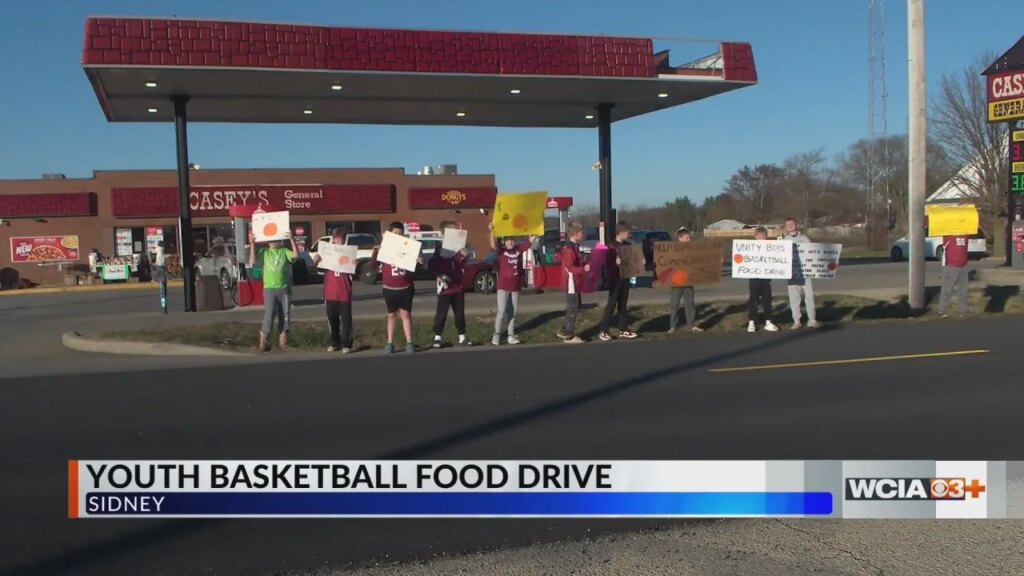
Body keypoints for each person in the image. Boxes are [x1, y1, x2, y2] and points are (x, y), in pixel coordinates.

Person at [372, 221, 418, 354]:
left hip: (405, 287)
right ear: (390, 234)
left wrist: (417, 262)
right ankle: (390, 343)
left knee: (406, 314)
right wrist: (375, 252)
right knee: (391, 315)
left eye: (400, 233)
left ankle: (409, 342)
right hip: (390, 288)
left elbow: (413, 268)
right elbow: (374, 265)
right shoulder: (384, 248)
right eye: (395, 233)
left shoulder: (408, 247)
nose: (398, 235)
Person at [248, 229, 298, 352]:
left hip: (284, 288)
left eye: (276, 240)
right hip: (269, 288)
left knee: (285, 315)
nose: (274, 243)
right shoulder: (264, 252)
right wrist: (253, 244)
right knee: (269, 314)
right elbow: (252, 262)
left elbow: (296, 256)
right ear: (268, 242)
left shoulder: (284, 252)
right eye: (271, 240)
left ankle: (283, 341)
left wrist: (291, 239)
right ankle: (263, 340)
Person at [489, 222, 535, 346]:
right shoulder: (501, 251)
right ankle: (497, 335)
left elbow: (529, 242)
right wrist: (492, 231)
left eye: (512, 240)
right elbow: (493, 245)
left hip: (515, 287)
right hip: (503, 287)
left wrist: (537, 229)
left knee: (512, 313)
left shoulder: (518, 250)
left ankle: (510, 335)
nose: (510, 243)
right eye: (508, 241)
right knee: (502, 311)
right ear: (504, 242)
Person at [429, 221, 474, 348]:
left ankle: (462, 336)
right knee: (441, 313)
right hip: (445, 287)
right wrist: (439, 276)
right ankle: (437, 337)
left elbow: (461, 265)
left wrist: (464, 256)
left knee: (459, 313)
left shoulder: (459, 248)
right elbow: (433, 266)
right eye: (452, 230)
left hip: (458, 286)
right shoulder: (439, 249)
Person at [312, 227, 354, 352]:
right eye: (335, 240)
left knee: (346, 320)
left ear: (344, 240)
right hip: (330, 293)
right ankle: (335, 342)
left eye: (340, 240)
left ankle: (346, 343)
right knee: (332, 319)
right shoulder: (327, 254)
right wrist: (317, 261)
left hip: (344, 292)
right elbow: (320, 270)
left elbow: (354, 273)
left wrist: (355, 264)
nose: (337, 242)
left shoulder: (349, 253)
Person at [598, 222, 639, 341]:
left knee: (623, 305)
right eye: (627, 232)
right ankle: (604, 330)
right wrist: (615, 264)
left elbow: (633, 260)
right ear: (619, 232)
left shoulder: (627, 245)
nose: (629, 234)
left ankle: (623, 329)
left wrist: (639, 261)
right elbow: (606, 264)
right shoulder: (611, 246)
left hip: (625, 278)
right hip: (615, 279)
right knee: (611, 304)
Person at [781, 217, 818, 329]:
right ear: (786, 227)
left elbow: (812, 253)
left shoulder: (804, 238)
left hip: (805, 273)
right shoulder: (784, 241)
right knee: (794, 298)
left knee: (809, 297)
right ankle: (796, 321)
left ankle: (812, 319)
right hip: (792, 274)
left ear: (796, 225)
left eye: (792, 223)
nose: (790, 226)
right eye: (788, 224)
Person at [557, 221, 589, 344]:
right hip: (571, 282)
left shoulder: (574, 247)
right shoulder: (569, 249)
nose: (583, 234)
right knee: (573, 308)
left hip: (575, 281)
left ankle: (565, 330)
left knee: (575, 306)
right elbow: (570, 267)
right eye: (581, 232)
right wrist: (583, 269)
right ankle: (568, 335)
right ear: (575, 233)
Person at [668, 227, 702, 333]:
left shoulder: (693, 249)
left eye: (689, 238)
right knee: (674, 304)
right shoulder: (672, 249)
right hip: (676, 281)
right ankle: (673, 326)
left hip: (689, 280)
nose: (689, 240)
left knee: (690, 304)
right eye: (686, 238)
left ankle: (691, 325)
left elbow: (702, 259)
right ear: (680, 238)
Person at [747, 227, 780, 333]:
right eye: (759, 236)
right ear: (755, 237)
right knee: (753, 300)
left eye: (763, 236)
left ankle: (768, 322)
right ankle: (752, 322)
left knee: (767, 300)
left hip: (766, 278)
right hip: (754, 278)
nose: (761, 238)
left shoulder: (771, 248)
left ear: (766, 237)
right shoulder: (748, 248)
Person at [938, 233, 970, 318]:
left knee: (963, 290)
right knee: (946, 290)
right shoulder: (947, 234)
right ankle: (942, 311)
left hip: (963, 265)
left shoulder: (965, 234)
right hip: (950, 265)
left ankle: (963, 311)